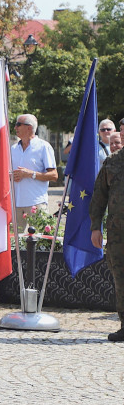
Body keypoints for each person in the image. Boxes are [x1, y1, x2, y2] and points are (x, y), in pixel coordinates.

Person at [90, 146, 124, 341]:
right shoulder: (112, 161)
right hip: (118, 233)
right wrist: (96, 226)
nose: (123, 134)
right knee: (120, 279)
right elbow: (99, 195)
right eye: (121, 131)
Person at [10, 114, 57, 226]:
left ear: (29, 127)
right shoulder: (13, 149)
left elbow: (54, 175)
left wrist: (31, 174)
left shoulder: (44, 147)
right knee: (13, 242)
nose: (15, 128)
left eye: (18, 124)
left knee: (40, 239)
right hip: (15, 203)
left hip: (36, 203)